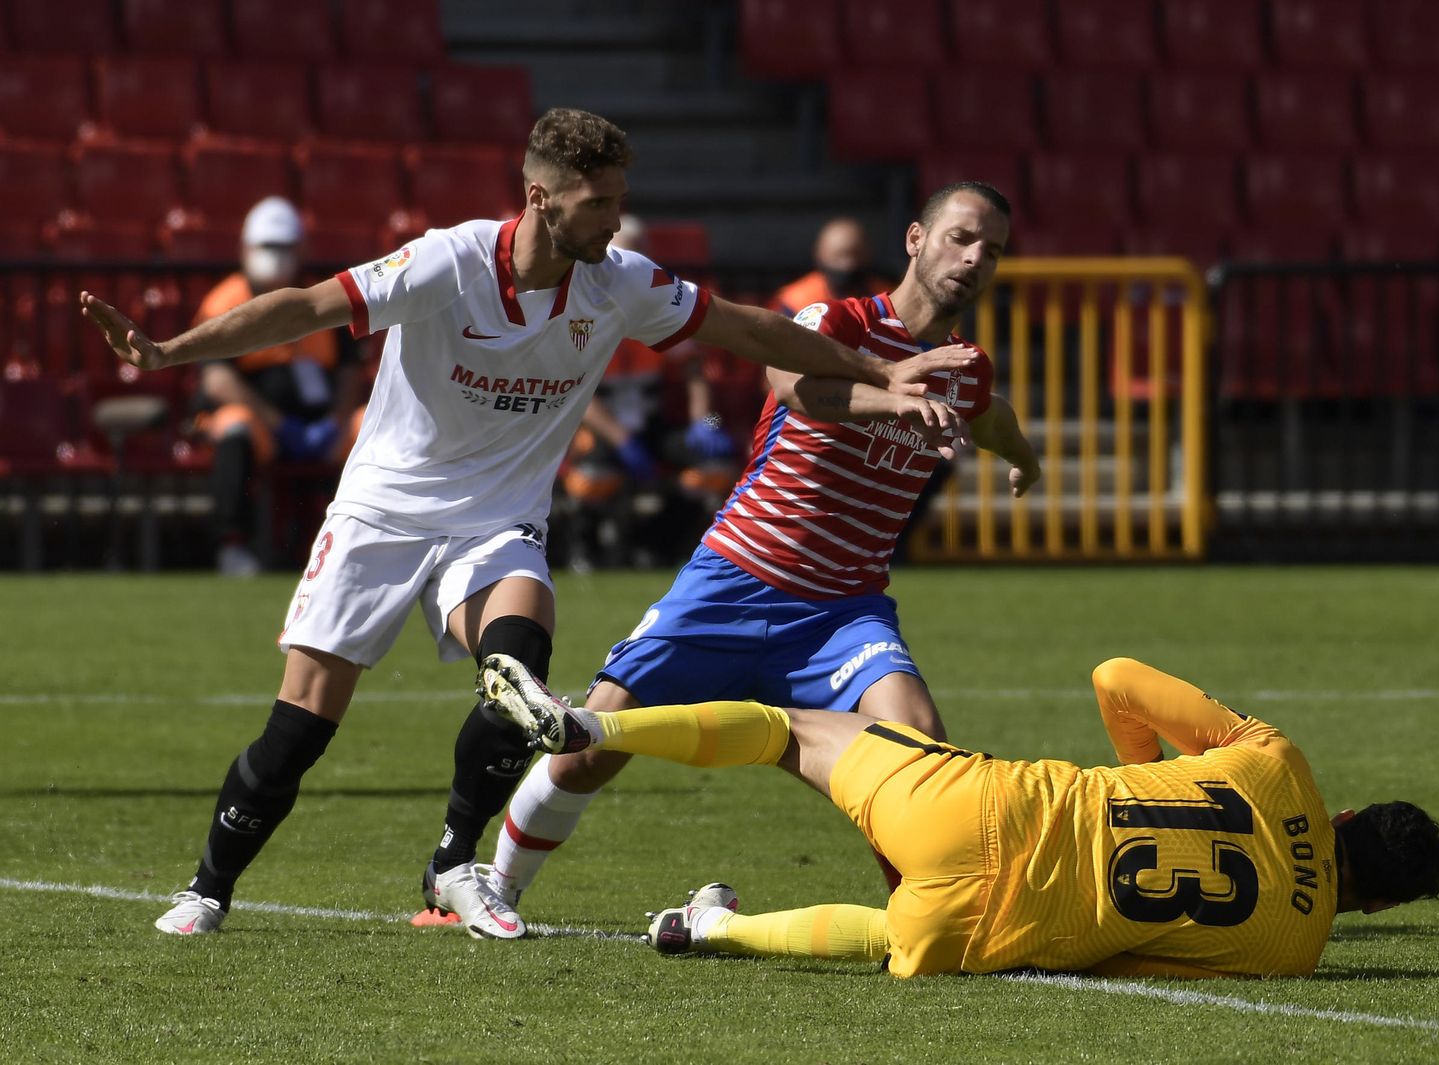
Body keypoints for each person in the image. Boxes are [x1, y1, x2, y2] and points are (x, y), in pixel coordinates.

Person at [79, 107, 974, 939]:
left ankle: (453, 866)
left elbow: (750, 330)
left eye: (621, 201)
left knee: (521, 679)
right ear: (542, 197)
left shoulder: (618, 282)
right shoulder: (448, 261)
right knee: (298, 732)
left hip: (498, 522)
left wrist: (880, 372)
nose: (617, 222)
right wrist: (170, 352)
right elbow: (307, 306)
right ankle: (208, 885)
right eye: (601, 203)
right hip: (383, 512)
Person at [484, 181, 1039, 916]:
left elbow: (989, 413)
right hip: (736, 579)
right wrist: (892, 397)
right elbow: (791, 379)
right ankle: (493, 887)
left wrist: (1022, 456)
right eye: (959, 238)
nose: (973, 258)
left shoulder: (965, 369)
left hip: (843, 613)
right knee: (594, 742)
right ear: (914, 238)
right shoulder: (838, 319)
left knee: (918, 751)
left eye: (991, 250)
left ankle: (928, 917)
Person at [478, 654, 1439, 978]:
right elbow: (1131, 962)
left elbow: (1114, 676)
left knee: (785, 731)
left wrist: (1145, 776)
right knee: (893, 938)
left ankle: (595, 727)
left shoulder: (1276, 763)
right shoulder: (1293, 952)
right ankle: (713, 928)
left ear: (1347, 810)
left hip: (986, 805)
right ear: (1372, 909)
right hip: (998, 924)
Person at [192, 197, 367, 576]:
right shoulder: (224, 302)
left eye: (284, 247)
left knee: (369, 422)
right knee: (233, 425)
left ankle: (369, 545)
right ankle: (233, 547)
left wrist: (336, 421)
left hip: (323, 423)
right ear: (245, 249)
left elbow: (349, 371)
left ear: (300, 249)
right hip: (263, 423)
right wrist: (277, 423)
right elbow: (218, 378)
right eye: (267, 247)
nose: (275, 256)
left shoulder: (321, 299)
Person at [558, 214, 741, 570]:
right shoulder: (578, 312)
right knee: (591, 478)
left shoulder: (660, 310)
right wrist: (621, 439)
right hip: (601, 429)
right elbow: (574, 393)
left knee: (715, 465)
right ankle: (586, 549)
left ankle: (681, 544)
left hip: (653, 422)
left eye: (639, 255)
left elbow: (695, 370)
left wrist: (705, 420)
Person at [770, 217, 892, 317]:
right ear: (820, 254)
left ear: (868, 253)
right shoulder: (794, 301)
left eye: (856, 254)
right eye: (838, 256)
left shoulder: (887, 298)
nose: (848, 265)